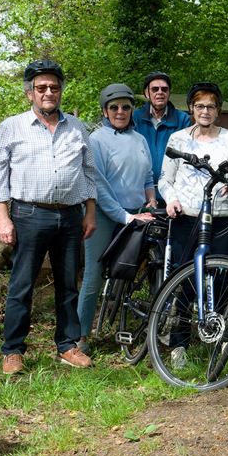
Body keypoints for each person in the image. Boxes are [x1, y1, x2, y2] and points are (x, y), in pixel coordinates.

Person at [0, 60, 97, 374]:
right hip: (28, 214)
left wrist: (90, 213)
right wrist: (2, 218)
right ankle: (13, 351)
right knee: (21, 285)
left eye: (54, 87)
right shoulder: (11, 127)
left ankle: (67, 346)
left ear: (61, 91)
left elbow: (89, 174)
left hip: (71, 217)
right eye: (41, 88)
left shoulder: (78, 128)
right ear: (30, 94)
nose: (48, 92)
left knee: (68, 284)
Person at [158, 82, 228, 368]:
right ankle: (179, 343)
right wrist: (170, 200)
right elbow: (164, 179)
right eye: (199, 106)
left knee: (220, 277)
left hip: (221, 216)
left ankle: (219, 340)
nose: (205, 111)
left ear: (218, 110)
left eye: (210, 106)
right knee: (184, 277)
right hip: (187, 216)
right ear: (191, 110)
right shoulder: (178, 139)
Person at [76, 84, 157, 354]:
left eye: (125, 107)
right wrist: (124, 216)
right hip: (105, 215)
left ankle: (128, 323)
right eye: (114, 107)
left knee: (129, 270)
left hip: (136, 213)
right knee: (94, 275)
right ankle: (80, 337)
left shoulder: (140, 139)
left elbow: (148, 176)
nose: (120, 111)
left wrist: (151, 198)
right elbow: (98, 184)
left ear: (132, 110)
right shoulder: (97, 139)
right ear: (104, 111)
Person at [133, 71, 191, 203]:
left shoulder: (183, 120)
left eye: (164, 89)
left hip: (174, 194)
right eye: (155, 89)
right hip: (141, 193)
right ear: (146, 93)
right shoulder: (134, 118)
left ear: (169, 93)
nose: (160, 92)